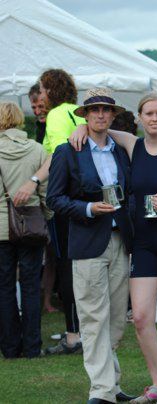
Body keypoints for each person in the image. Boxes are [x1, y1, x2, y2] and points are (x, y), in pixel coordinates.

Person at [71, 92, 157, 404]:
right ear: (140, 118)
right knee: (141, 317)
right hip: (142, 243)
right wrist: (79, 129)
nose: (154, 119)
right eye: (148, 114)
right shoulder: (133, 144)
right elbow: (98, 127)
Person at [46, 89, 135, 403]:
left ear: (112, 115)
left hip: (120, 240)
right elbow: (53, 199)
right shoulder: (67, 151)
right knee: (93, 317)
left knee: (114, 320)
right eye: (94, 110)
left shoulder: (121, 151)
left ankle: (112, 385)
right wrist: (87, 209)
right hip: (87, 242)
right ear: (85, 114)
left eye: (106, 110)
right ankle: (101, 390)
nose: (100, 114)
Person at [31, 69, 87, 355]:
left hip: (64, 198)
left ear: (51, 90)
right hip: (85, 198)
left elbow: (57, 154)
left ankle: (73, 335)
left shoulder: (55, 116)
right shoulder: (79, 112)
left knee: (66, 264)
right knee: (83, 265)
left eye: (42, 89)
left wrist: (33, 181)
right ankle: (84, 330)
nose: (39, 95)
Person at [0, 102, 51, 359]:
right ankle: (32, 347)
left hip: (0, 229)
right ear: (21, 120)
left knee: (4, 287)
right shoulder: (37, 149)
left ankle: (9, 347)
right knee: (31, 285)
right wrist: (47, 217)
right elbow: (45, 191)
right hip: (30, 224)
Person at [29, 83, 58, 314]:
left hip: (52, 197)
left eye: (41, 106)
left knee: (53, 255)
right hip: (39, 198)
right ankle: (35, 300)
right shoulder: (39, 130)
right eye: (34, 107)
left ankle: (47, 300)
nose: (38, 111)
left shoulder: (56, 125)